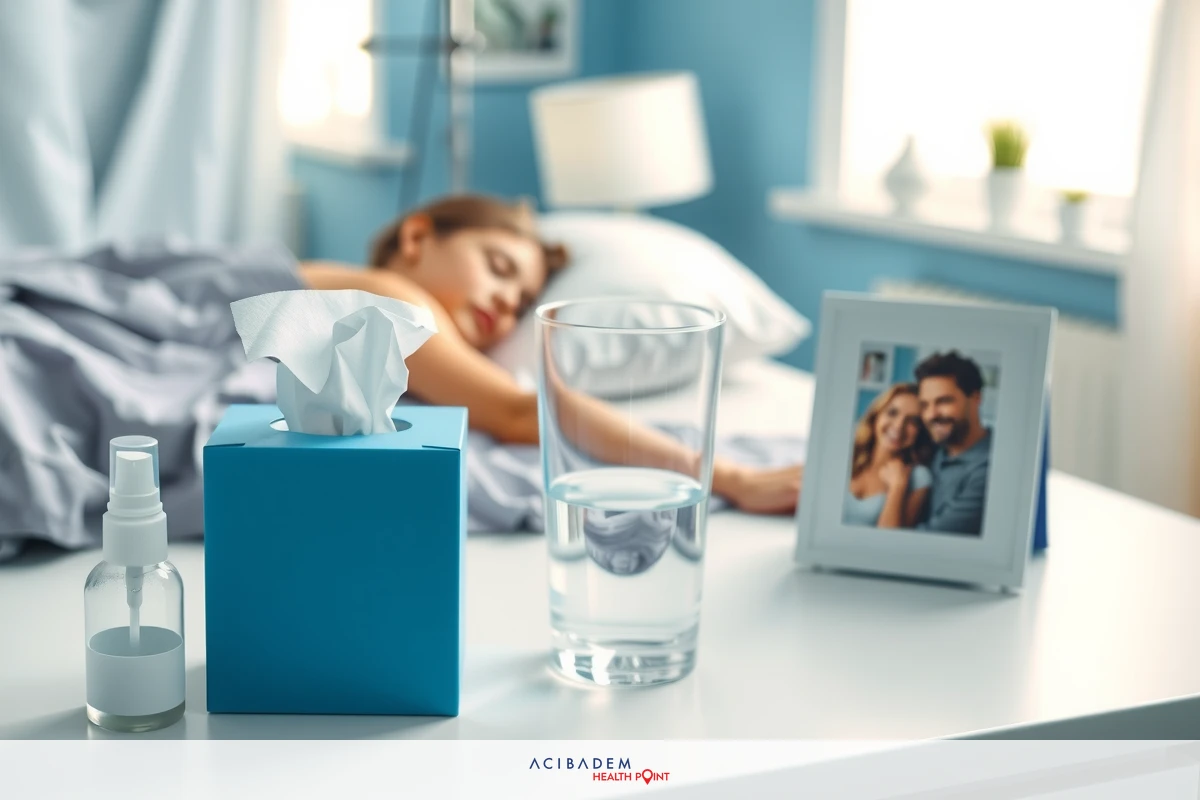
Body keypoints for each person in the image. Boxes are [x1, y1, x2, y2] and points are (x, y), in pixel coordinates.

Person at [299, 194, 802, 514]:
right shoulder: (391, 297)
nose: (505, 302)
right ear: (417, 237)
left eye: (521, 304)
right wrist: (732, 477)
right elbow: (520, 411)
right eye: (497, 267)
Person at [914, 350, 992, 535]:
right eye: (925, 405)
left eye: (943, 401)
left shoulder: (989, 469)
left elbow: (934, 539)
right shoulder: (931, 448)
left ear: (976, 398)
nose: (931, 415)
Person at [844, 383, 933, 528]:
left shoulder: (919, 477)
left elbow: (890, 542)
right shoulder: (847, 456)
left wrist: (897, 487)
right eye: (892, 413)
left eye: (912, 421)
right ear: (876, 415)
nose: (899, 426)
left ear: (920, 431)